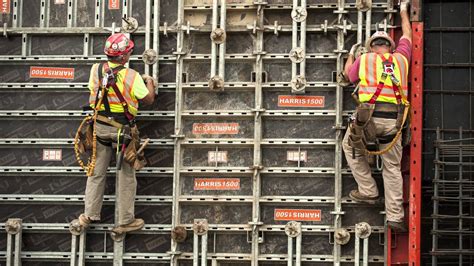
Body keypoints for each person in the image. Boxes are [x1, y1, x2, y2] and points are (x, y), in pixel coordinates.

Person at [342, 2, 411, 232]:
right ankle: (395, 218)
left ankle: (369, 190)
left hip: (368, 122)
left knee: (349, 145)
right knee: (392, 167)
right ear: (390, 46)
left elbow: (347, 76)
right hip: (394, 123)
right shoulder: (402, 59)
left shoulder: (365, 60)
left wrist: (351, 55)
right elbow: (408, 35)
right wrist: (403, 10)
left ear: (372, 47)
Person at [78, 33, 156, 233]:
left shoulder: (96, 70)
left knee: (95, 173)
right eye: (128, 51)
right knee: (126, 176)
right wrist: (150, 82)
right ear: (123, 57)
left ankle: (88, 215)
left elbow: (92, 94)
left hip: (100, 129)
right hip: (123, 132)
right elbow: (148, 100)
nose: (130, 53)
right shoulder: (132, 76)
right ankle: (124, 221)